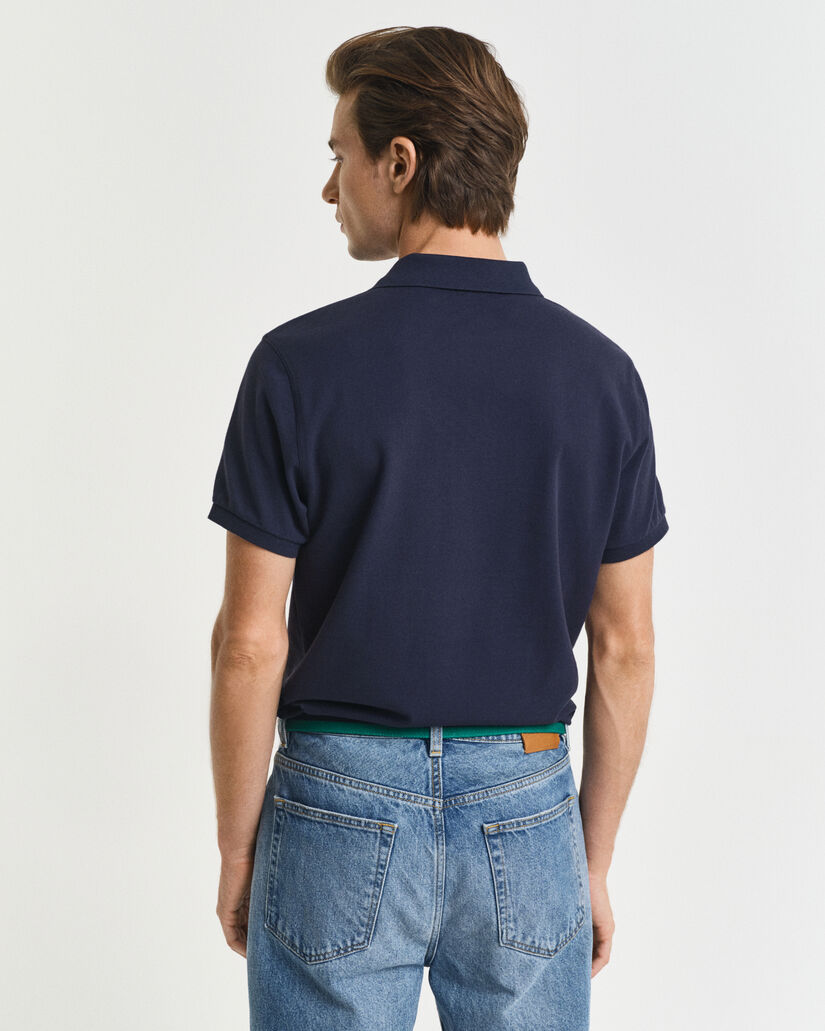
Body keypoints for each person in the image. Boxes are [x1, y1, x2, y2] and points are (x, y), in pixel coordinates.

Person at [208, 25, 668, 1031]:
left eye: (339, 154)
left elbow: (249, 642)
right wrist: (587, 860)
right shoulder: (601, 377)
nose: (329, 187)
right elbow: (626, 646)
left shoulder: (297, 366)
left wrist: (240, 848)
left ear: (400, 161)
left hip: (335, 799)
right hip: (526, 800)